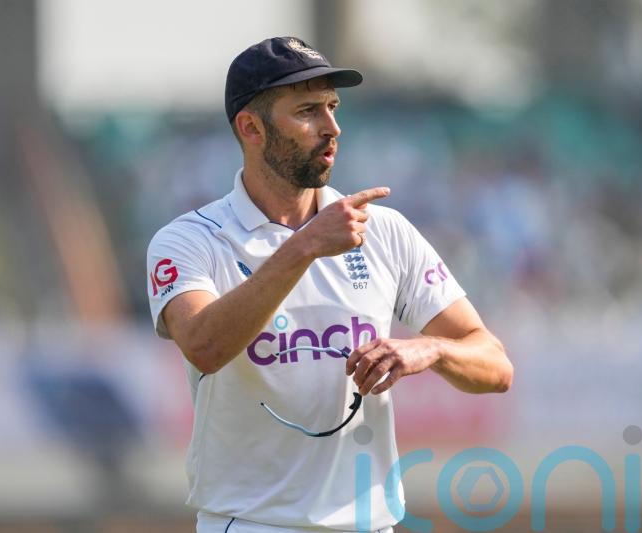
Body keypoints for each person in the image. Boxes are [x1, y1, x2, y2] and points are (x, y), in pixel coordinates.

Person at [147, 36, 513, 533]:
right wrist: (304, 246)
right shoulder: (188, 241)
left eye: (332, 107)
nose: (332, 127)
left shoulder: (384, 231)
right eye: (307, 111)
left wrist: (430, 351)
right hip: (252, 523)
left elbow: (494, 365)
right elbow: (204, 346)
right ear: (251, 127)